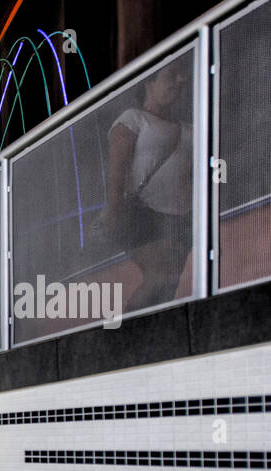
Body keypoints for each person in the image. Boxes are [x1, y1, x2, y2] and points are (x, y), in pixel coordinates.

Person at [95, 61, 193, 311]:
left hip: (179, 218)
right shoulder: (132, 119)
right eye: (171, 75)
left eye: (180, 76)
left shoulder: (189, 129)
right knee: (160, 275)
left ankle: (153, 331)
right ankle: (127, 332)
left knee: (169, 282)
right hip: (142, 214)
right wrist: (115, 210)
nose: (180, 81)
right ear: (148, 83)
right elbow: (117, 171)